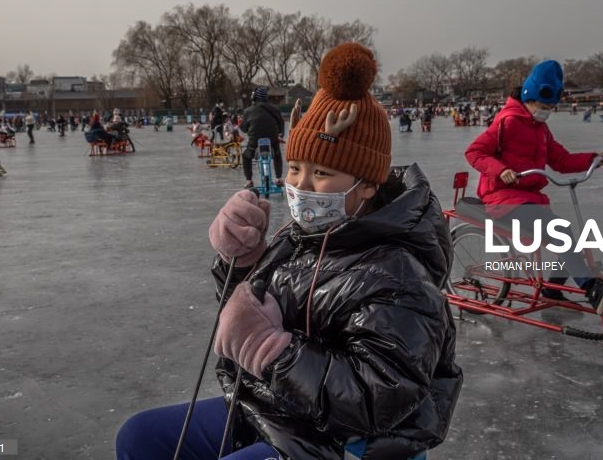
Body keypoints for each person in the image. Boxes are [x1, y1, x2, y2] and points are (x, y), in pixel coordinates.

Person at [116, 43, 462, 460]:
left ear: (368, 185)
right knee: (140, 437)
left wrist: (270, 351)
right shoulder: (300, 236)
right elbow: (249, 314)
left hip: (344, 442)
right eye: (295, 168)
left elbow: (377, 398)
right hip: (275, 408)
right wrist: (239, 262)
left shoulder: (399, 275)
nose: (301, 185)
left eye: (322, 173)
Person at [465, 60, 603, 313]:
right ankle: (591, 288)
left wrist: (593, 159)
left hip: (528, 198)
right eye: (543, 107)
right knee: (561, 233)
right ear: (529, 99)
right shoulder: (507, 122)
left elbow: (561, 160)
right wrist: (501, 170)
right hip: (502, 198)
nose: (546, 112)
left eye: (550, 108)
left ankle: (553, 289)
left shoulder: (541, 129)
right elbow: (474, 152)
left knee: (567, 237)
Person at [238, 86, 285, 189]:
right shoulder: (275, 109)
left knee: (246, 156)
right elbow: (281, 123)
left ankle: (249, 181)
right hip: (272, 140)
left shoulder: (248, 111)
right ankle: (279, 178)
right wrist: (281, 134)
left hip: (254, 141)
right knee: (277, 154)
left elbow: (244, 128)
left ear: (254, 97)